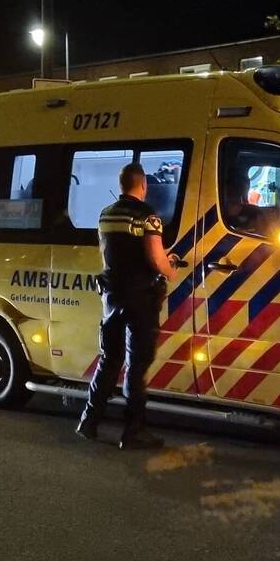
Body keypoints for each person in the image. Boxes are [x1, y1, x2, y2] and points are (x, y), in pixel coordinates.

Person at [76, 163, 177, 450]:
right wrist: (170, 268)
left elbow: (115, 253)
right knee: (136, 365)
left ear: (121, 185)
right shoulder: (148, 217)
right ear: (143, 185)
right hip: (140, 298)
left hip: (112, 297)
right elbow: (155, 259)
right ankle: (133, 431)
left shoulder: (105, 215)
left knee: (109, 360)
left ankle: (88, 421)